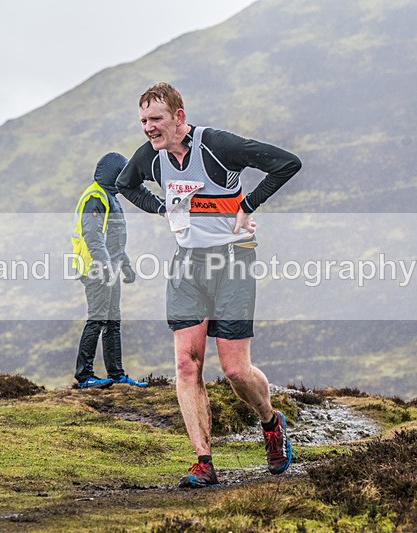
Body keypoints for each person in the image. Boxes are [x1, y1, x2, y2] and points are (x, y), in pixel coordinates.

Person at [116, 82, 302, 487]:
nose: (148, 128)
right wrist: (161, 207)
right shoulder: (151, 157)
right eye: (143, 120)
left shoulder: (217, 145)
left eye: (156, 119)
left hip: (233, 260)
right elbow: (125, 184)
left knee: (235, 370)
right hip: (188, 265)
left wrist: (247, 205)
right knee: (187, 364)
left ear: (178, 117)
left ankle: (270, 422)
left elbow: (287, 163)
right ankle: (203, 461)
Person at [71, 152, 147, 389]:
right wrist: (104, 265)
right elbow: (92, 236)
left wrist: (126, 265)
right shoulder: (96, 197)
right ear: (115, 174)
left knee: (113, 320)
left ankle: (116, 375)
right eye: (124, 173)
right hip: (96, 269)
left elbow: (114, 240)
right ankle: (85, 376)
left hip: (110, 268)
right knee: (97, 319)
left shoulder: (110, 197)